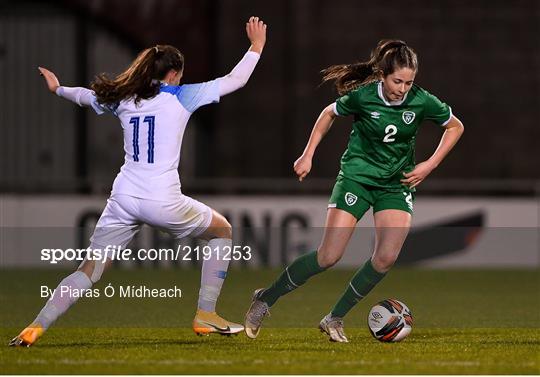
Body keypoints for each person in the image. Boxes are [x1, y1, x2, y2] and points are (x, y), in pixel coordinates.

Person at [9, 16, 267, 347]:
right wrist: (256, 46)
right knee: (223, 231)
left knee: (88, 270)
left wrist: (58, 88)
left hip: (124, 197)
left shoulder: (125, 99)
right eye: (180, 73)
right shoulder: (181, 96)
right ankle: (206, 313)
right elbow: (236, 79)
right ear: (173, 74)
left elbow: (87, 97)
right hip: (162, 200)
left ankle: (35, 326)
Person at [245, 39, 464, 342]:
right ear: (383, 75)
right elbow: (328, 114)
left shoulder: (422, 100)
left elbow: (455, 126)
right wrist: (308, 154)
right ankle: (266, 298)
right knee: (328, 256)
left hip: (395, 184)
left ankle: (334, 318)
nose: (403, 88)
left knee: (386, 257)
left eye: (409, 82)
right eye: (397, 81)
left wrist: (430, 164)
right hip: (356, 179)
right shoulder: (363, 97)